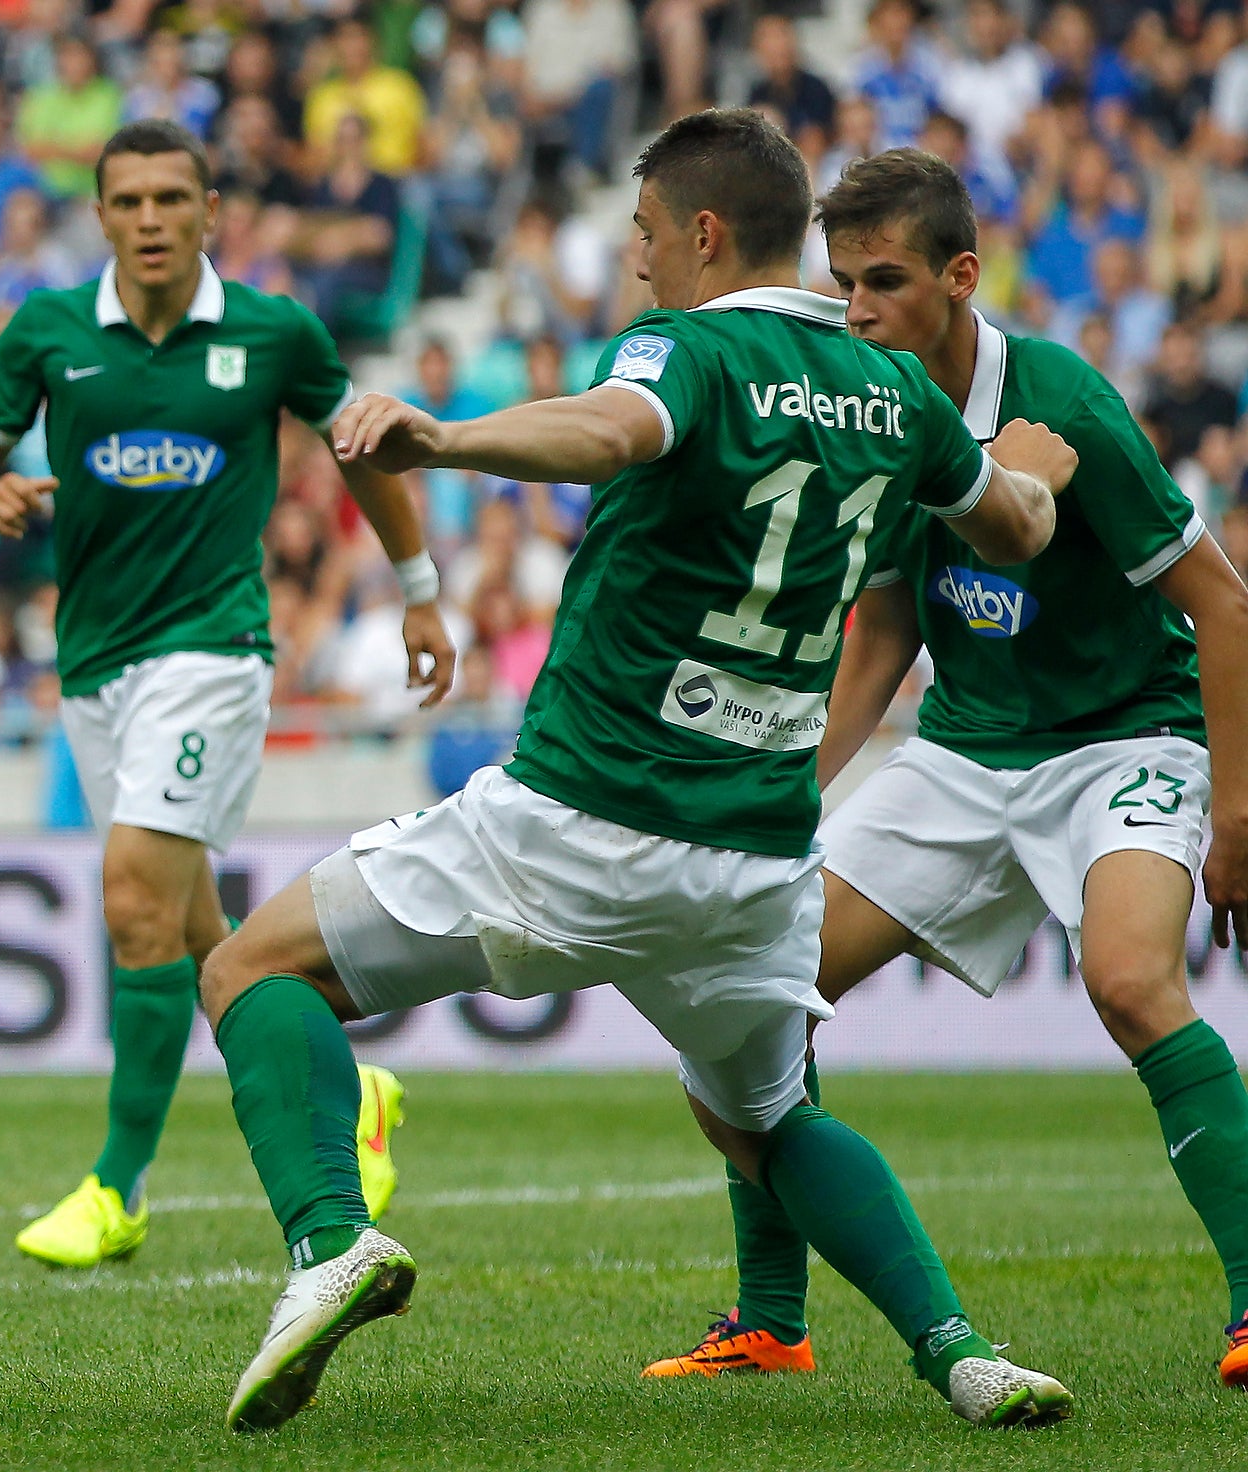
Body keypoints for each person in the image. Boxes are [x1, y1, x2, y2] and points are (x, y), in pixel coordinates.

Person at [194, 108, 1079, 1433]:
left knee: (252, 969)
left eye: (648, 234)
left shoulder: (690, 346)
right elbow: (1011, 528)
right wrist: (1030, 480)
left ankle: (330, 1242)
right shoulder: (894, 383)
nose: (638, 260)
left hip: (583, 813)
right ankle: (959, 1353)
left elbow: (609, 432)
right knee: (767, 1120)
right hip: (760, 858)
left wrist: (443, 440)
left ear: (705, 232)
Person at [645, 148, 1248, 1390]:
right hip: (966, 749)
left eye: (882, 283)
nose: (855, 309)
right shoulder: (870, 401)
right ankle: (770, 1319)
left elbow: (1225, 609)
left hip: (1122, 738)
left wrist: (1234, 814)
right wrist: (789, 793)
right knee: (758, 980)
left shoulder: (1064, 404)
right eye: (842, 283)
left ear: (960, 278)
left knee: (1131, 980)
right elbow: (885, 628)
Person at [0, 118, 456, 1270]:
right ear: (101, 215)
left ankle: (116, 1183)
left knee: (130, 891)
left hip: (214, 646)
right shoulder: (48, 330)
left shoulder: (273, 332)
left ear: (210, 209)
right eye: (126, 202)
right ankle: (347, 1085)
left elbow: (361, 448)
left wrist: (418, 590)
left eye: (172, 198)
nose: (150, 220)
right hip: (94, 661)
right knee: (196, 938)